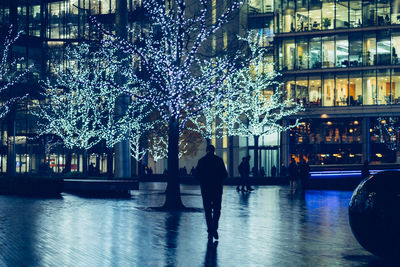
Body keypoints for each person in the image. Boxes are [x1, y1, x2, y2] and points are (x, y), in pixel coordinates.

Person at [195, 145, 228, 240]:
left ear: (206, 151)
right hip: (217, 189)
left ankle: (210, 227)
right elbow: (225, 174)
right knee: (217, 210)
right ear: (214, 151)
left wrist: (204, 180)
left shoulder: (202, 161)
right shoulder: (219, 160)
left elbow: (197, 176)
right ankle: (214, 227)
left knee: (208, 210)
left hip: (206, 189)